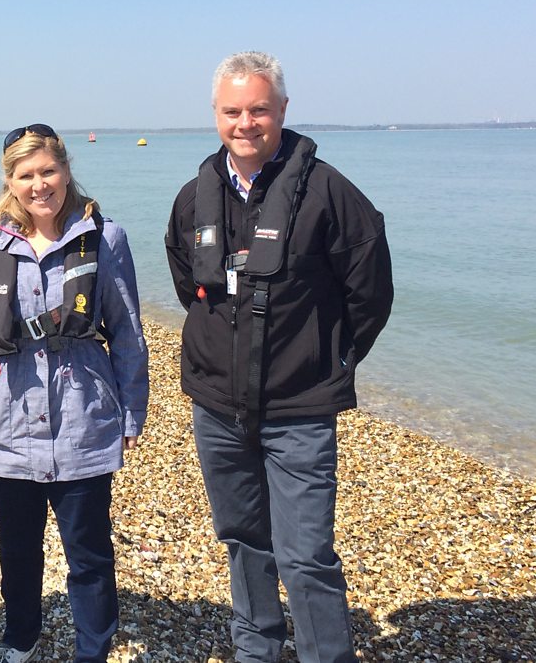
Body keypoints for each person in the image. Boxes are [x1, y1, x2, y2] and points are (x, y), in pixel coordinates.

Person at [165, 52, 394, 662]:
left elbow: (370, 293)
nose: (246, 123)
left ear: (283, 110)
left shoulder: (329, 193)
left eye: (258, 110)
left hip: (299, 408)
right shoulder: (194, 198)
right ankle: (256, 648)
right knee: (243, 539)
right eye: (232, 111)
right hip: (218, 406)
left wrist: (328, 360)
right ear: (216, 115)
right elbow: (189, 285)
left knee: (305, 555)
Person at [0, 124, 149, 663]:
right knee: (17, 548)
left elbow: (128, 332)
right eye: (26, 175)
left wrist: (132, 411)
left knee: (89, 552)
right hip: (8, 419)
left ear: (66, 171)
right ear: (10, 181)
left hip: (82, 416)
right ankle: (21, 636)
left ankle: (94, 647)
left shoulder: (105, 238)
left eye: (48, 172)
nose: (39, 185)